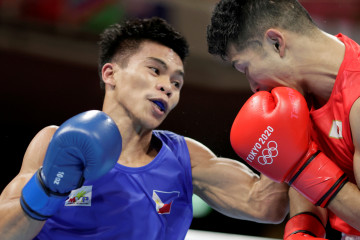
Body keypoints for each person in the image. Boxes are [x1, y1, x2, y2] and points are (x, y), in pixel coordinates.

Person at [0, 17, 289, 240]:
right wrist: (48, 188)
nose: (167, 87)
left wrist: (284, 120)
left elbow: (266, 205)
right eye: (155, 70)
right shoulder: (54, 141)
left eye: (177, 83)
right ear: (110, 73)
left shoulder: (184, 157)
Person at [207, 0, 360, 240]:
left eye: (245, 67)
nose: (252, 87)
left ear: (276, 42)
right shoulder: (300, 97)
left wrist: (300, 168)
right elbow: (310, 194)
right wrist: (302, 233)